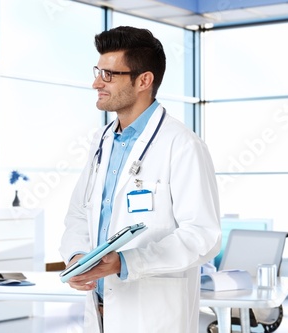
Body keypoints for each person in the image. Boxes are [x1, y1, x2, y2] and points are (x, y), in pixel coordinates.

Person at [59, 26, 222, 333]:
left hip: (154, 316)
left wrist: (127, 262)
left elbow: (202, 235)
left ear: (144, 80)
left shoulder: (182, 145)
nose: (96, 83)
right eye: (98, 71)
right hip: (100, 310)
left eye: (109, 75)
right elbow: (80, 213)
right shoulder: (102, 140)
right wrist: (79, 256)